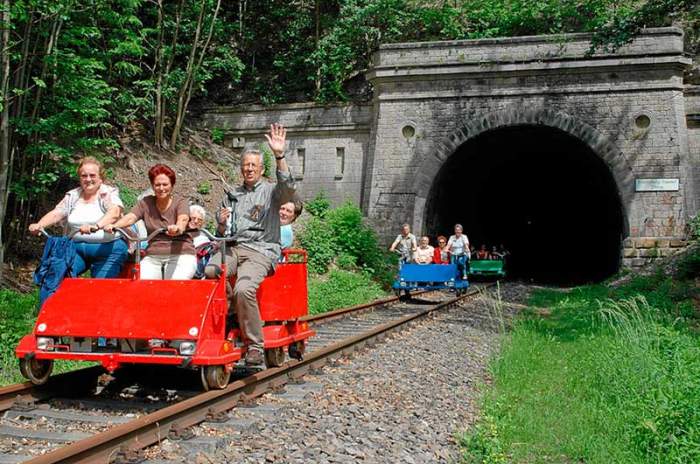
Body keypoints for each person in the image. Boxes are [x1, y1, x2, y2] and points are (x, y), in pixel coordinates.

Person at [204, 123, 296, 369]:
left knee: (244, 288)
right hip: (233, 247)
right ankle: (234, 313)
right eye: (246, 166)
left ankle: (254, 344)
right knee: (211, 272)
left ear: (262, 169)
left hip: (261, 249)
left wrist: (279, 155)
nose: (249, 169)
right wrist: (221, 224)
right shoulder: (231, 194)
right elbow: (220, 233)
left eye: (254, 165)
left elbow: (288, 189)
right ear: (241, 169)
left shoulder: (271, 192)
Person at [28, 157, 128, 280]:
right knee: (57, 275)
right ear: (79, 178)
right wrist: (39, 225)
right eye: (84, 176)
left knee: (101, 288)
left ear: (100, 178)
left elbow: (114, 212)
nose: (88, 179)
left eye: (92, 175)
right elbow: (57, 213)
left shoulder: (108, 193)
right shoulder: (73, 195)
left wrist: (96, 226)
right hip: (76, 248)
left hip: (107, 248)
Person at [105, 164, 196, 280]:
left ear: (172, 185)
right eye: (157, 185)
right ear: (153, 186)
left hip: (181, 254)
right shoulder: (146, 203)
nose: (161, 188)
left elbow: (183, 220)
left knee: (175, 284)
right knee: (141, 282)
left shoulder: (180, 202)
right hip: (154, 255)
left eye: (165, 184)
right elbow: (131, 217)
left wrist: (177, 228)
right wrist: (114, 226)